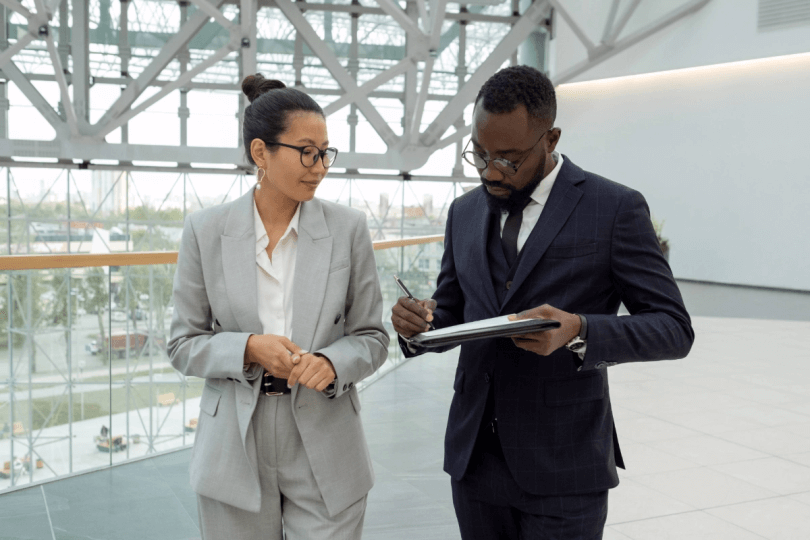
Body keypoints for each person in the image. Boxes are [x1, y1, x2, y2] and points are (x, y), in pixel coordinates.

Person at [391, 65, 694, 540]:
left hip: (564, 464)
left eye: (508, 159)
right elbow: (450, 311)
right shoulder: (463, 211)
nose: (490, 171)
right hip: (474, 460)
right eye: (479, 153)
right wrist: (418, 324)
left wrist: (580, 330)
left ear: (551, 139)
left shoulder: (614, 208)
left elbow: (673, 329)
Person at [168, 73, 389, 540]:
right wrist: (249, 348)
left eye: (325, 152)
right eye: (307, 152)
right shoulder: (205, 231)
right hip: (234, 441)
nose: (320, 167)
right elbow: (183, 344)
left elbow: (372, 336)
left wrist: (332, 362)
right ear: (260, 153)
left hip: (327, 435)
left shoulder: (348, 229)